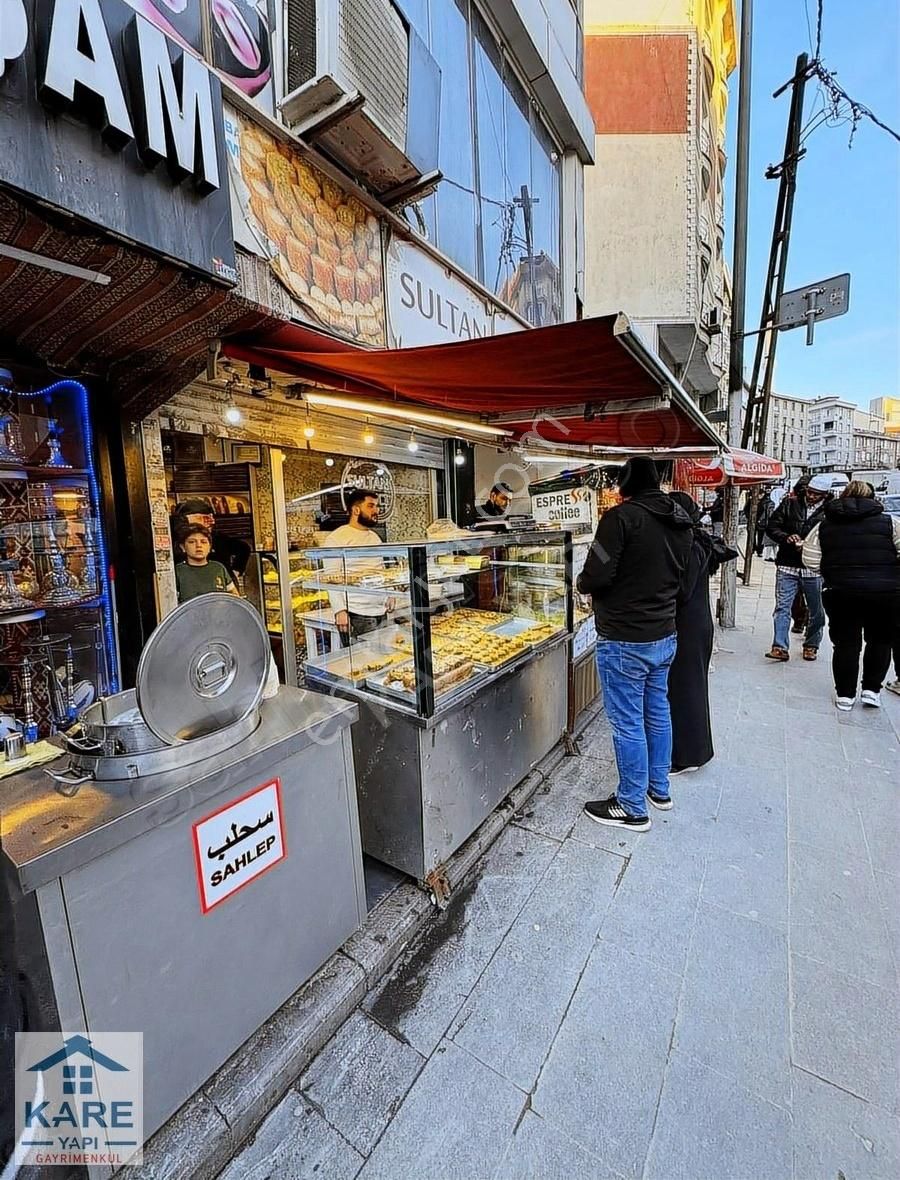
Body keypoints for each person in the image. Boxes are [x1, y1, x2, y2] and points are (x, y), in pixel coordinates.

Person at [576, 457, 693, 831]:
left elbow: (596, 573)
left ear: (626, 484)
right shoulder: (679, 521)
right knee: (657, 711)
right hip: (664, 634)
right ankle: (659, 789)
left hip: (625, 638)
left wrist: (584, 584)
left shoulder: (619, 520)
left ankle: (631, 805)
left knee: (627, 722)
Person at [803, 480, 900, 710]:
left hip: (841, 592)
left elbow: (809, 558)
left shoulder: (824, 525)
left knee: (846, 643)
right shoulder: (890, 523)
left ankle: (845, 696)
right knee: (880, 641)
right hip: (885, 593)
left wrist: (830, 573)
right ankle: (871, 691)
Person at [667, 492, 736, 774]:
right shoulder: (697, 540)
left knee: (686, 690)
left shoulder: (690, 545)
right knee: (688, 688)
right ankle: (689, 749)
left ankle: (687, 755)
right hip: (696, 623)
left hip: (688, 626)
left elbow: (681, 590)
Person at [765, 473, 833, 662]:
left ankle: (811, 645)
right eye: (809, 492)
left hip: (814, 568)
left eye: (816, 494)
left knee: (816, 610)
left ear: (825, 495)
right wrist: (787, 537)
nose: (811, 497)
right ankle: (779, 646)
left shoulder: (831, 511)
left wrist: (813, 545)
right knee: (782, 607)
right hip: (788, 564)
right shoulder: (789, 504)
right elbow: (772, 526)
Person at [320, 488, 394, 645]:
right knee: (365, 663)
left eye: (377, 506)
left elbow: (382, 570)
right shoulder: (336, 538)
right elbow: (331, 578)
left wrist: (390, 593)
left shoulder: (375, 537)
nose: (376, 510)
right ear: (356, 509)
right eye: (371, 506)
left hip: (380, 610)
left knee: (383, 660)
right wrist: (339, 610)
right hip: (356, 613)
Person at [172, 498, 251, 581]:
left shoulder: (218, 537)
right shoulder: (178, 539)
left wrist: (234, 573)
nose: (211, 522)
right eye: (202, 518)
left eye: (211, 517)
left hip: (222, 585)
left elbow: (244, 548)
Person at [175, 525, 240, 602]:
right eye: (192, 542)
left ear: (210, 547)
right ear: (183, 547)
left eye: (203, 542)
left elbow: (235, 597)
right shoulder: (178, 571)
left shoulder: (218, 567)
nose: (199, 546)